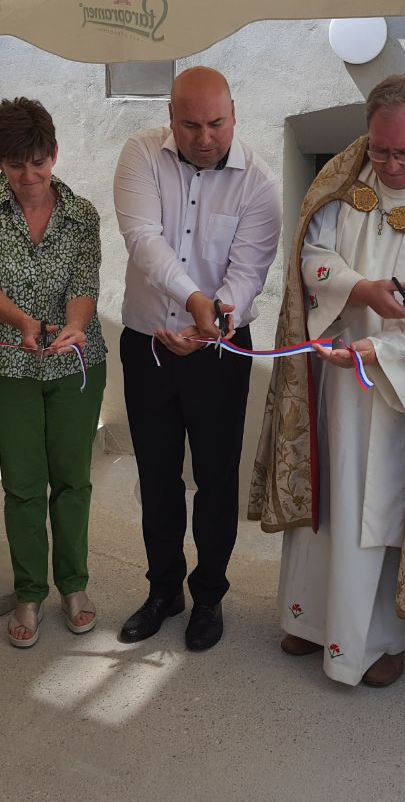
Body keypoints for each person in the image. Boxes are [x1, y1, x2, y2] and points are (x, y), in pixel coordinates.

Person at [250, 74, 405, 687]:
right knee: (328, 495)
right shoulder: (342, 180)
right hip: (331, 372)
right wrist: (359, 290)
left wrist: (387, 346)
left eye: (404, 153)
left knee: (379, 507)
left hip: (397, 388)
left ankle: (378, 639)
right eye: (379, 148)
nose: (388, 164)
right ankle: (308, 620)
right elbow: (312, 253)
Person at [113, 66, 281, 651]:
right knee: (157, 476)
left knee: (215, 478)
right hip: (147, 345)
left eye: (215, 123)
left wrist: (216, 316)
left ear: (234, 115)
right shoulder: (139, 155)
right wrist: (192, 301)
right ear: (171, 119)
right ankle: (163, 590)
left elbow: (249, 270)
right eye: (190, 125)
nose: (204, 137)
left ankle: (208, 595)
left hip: (222, 348)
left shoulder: (259, 183)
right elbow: (143, 240)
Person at [0, 98, 108, 649]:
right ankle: (29, 593)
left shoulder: (82, 213)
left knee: (72, 480)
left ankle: (73, 587)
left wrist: (73, 326)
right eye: (15, 165)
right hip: (7, 361)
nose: (29, 177)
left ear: (55, 153)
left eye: (39, 162)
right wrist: (22, 321)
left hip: (76, 361)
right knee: (23, 484)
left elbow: (85, 285)